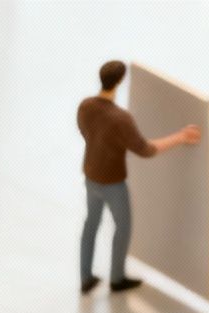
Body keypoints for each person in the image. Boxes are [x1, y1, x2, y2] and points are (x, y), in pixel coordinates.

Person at [78, 60, 202, 294]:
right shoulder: (120, 118)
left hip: (90, 176)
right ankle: (117, 278)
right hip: (112, 183)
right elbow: (146, 150)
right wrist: (181, 137)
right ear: (119, 82)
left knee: (90, 223)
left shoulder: (85, 106)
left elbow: (84, 131)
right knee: (123, 227)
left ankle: (85, 277)